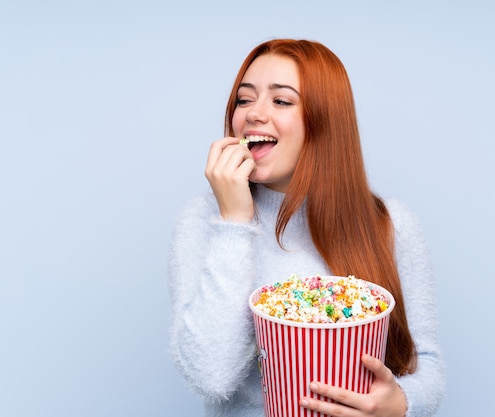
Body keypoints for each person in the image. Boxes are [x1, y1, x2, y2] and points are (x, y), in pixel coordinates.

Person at [168, 38, 445, 417]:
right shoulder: (205, 221)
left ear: (325, 119)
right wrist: (234, 222)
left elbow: (425, 365)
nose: (253, 115)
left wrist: (401, 403)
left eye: (281, 101)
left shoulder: (390, 224)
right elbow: (210, 376)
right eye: (244, 100)